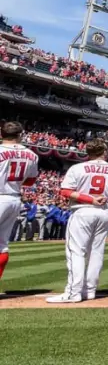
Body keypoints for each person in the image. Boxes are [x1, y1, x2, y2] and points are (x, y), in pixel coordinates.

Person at [49, 139, 108, 303]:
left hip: (82, 210)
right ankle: (90, 290)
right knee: (96, 252)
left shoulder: (77, 168)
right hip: (104, 212)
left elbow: (65, 191)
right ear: (105, 152)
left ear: (88, 152)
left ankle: (73, 292)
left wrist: (89, 199)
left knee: (77, 251)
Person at [0, 121, 38, 294]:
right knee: (2, 245)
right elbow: (30, 181)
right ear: (20, 135)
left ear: (1, 134)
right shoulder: (31, 154)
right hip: (14, 198)